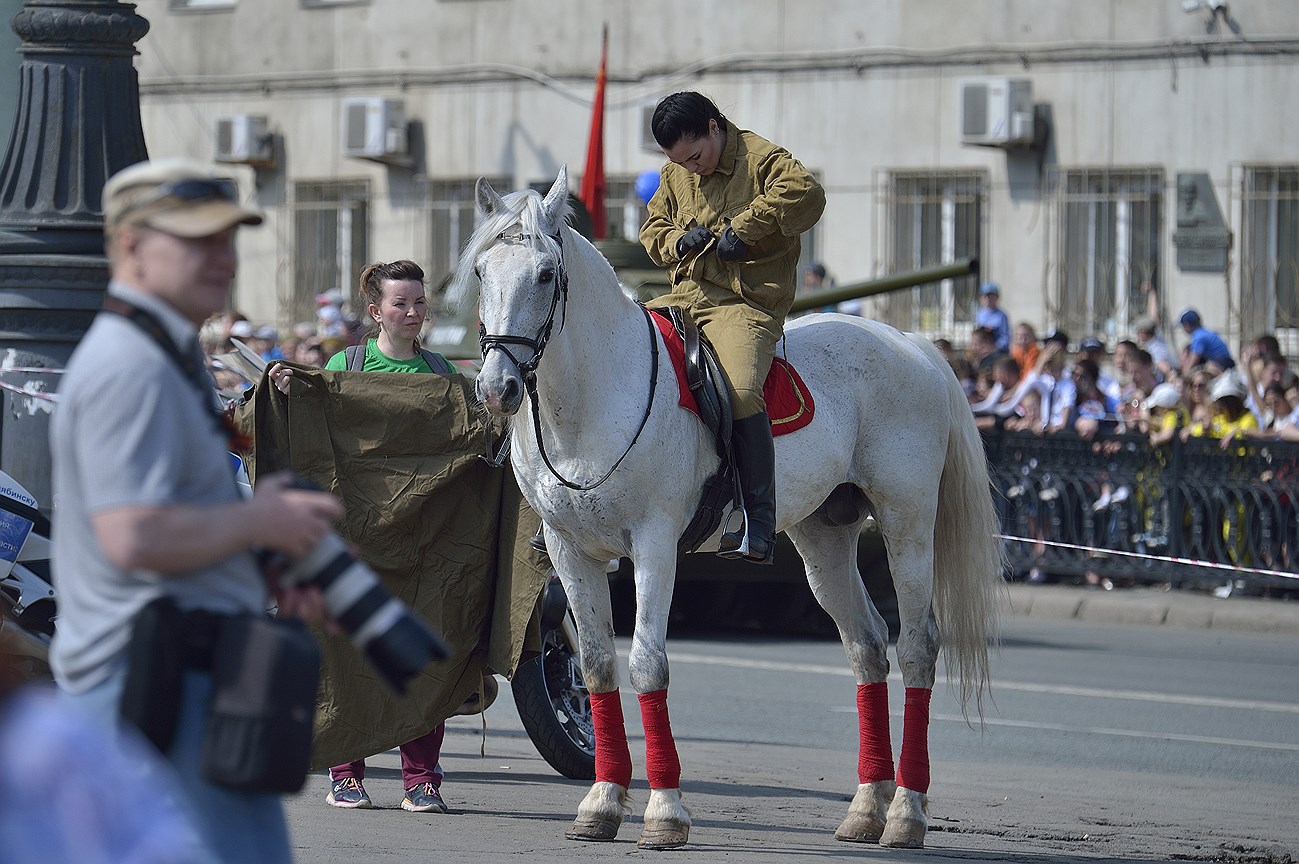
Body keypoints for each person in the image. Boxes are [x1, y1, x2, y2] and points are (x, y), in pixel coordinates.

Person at [49, 158, 345, 863]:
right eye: (194, 239)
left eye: (226, 238)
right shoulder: (130, 364)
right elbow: (133, 534)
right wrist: (258, 524)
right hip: (150, 693)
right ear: (129, 246)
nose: (220, 257)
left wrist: (260, 564)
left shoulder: (167, 352)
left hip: (181, 679)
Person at [271, 259, 455, 814]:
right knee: (348, 656)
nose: (413, 312)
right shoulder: (345, 366)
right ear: (375, 311)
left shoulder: (441, 372)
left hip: (419, 541)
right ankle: (345, 773)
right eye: (400, 303)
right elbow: (311, 435)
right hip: (355, 536)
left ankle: (422, 780)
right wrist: (286, 389)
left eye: (419, 302)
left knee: (422, 660)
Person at [640, 90, 825, 564]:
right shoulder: (675, 174)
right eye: (680, 162)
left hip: (746, 303)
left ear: (714, 126)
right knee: (630, 359)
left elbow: (807, 194)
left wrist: (745, 229)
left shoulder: (762, 158)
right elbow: (652, 230)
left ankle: (758, 520)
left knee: (742, 389)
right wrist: (681, 240)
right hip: (684, 298)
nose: (692, 169)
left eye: (697, 156)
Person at [1177, 307, 1235, 374]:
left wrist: (1185, 376)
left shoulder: (1198, 337)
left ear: (1187, 326)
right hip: (1226, 362)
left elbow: (1194, 360)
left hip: (1222, 365)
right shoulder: (1206, 332)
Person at [976, 281, 1011, 352]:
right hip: (981, 350)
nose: (988, 299)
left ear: (997, 297)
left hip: (997, 351)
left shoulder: (1001, 316)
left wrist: (993, 347)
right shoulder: (980, 314)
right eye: (985, 296)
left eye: (991, 296)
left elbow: (1005, 338)